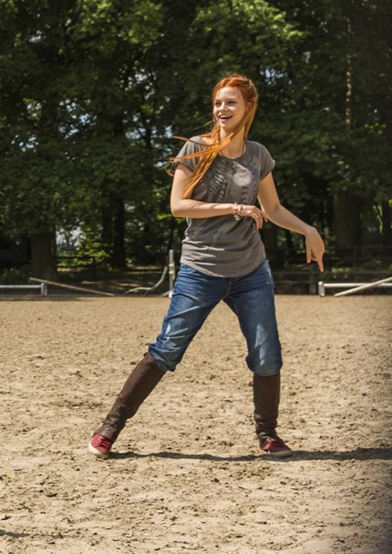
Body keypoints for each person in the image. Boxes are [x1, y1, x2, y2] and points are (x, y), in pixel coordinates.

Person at [87, 75, 325, 459]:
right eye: (217, 103)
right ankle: (109, 428)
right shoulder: (197, 149)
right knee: (168, 349)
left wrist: (308, 229)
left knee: (267, 353)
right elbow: (178, 206)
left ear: (248, 107)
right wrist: (234, 207)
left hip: (251, 272)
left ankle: (268, 435)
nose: (222, 110)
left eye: (231, 103)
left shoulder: (258, 154)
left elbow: (273, 208)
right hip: (201, 269)